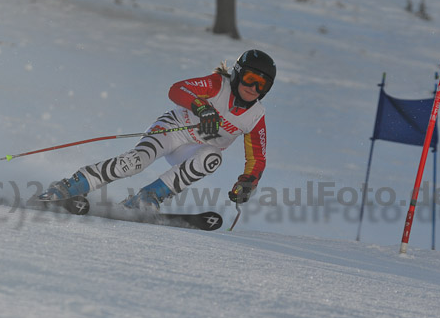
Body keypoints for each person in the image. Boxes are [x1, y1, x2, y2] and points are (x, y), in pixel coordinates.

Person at [39, 49, 276, 211]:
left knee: (213, 158)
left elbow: (258, 158)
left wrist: (248, 182)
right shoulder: (217, 85)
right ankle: (71, 186)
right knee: (135, 163)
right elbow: (177, 90)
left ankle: (146, 198)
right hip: (172, 129)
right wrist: (201, 107)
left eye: (262, 84)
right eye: (250, 78)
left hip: (195, 149)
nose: (253, 87)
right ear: (237, 73)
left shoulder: (255, 116)